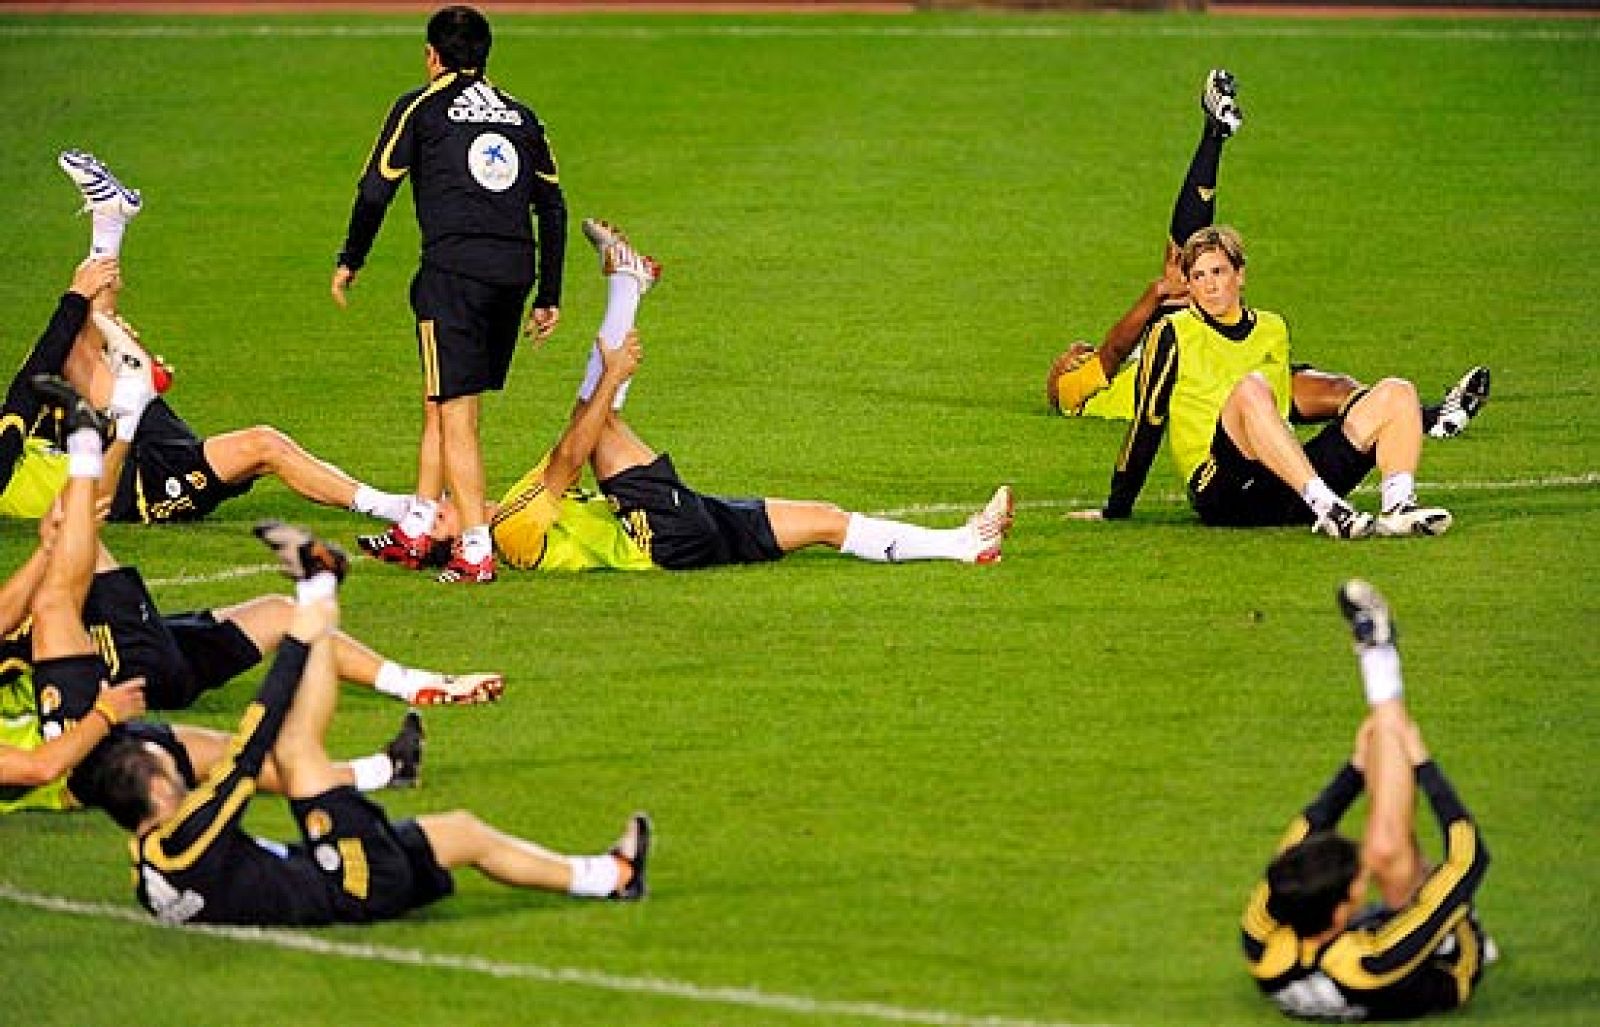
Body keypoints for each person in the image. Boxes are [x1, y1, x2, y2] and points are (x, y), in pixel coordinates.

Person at [376, 220, 1014, 574]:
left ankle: (963, 544)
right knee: (595, 425)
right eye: (440, 519)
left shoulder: (510, 511)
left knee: (825, 518)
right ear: (457, 540)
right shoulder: (511, 532)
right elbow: (571, 455)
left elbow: (570, 451)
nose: (442, 506)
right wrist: (614, 373)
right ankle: (627, 286)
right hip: (658, 535)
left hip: (686, 531)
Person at [93, 522, 649, 926]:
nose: (178, 770)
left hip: (334, 870)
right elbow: (252, 739)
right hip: (353, 884)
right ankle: (318, 594)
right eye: (166, 766)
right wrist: (298, 639)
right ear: (158, 794)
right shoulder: (190, 837)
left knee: (464, 832)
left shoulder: (149, 864)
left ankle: (613, 877)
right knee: (297, 752)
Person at [0, 382, 422, 815]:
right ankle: (92, 446)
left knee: (226, 754)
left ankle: (382, 771)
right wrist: (105, 714)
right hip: (72, 756)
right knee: (55, 600)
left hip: (76, 711)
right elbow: (40, 768)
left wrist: (48, 549)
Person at [1045, 70, 1490, 440]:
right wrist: (1155, 294)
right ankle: (1213, 135)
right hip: (1207, 395)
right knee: (1181, 269)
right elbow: (1114, 348)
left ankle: (1433, 419)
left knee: (1336, 387)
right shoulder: (1075, 394)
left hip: (1232, 369)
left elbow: (1125, 346)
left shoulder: (1147, 358)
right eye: (1068, 357)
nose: (1074, 350)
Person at [0, 150, 417, 527]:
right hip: (144, 486)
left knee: (77, 348)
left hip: (122, 446)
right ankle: (395, 510)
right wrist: (75, 300)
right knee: (264, 445)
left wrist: (106, 346)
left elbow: (44, 375)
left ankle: (109, 223)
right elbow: (30, 388)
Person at [334, 4, 569, 584]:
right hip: (513, 273)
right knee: (442, 395)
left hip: (455, 273)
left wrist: (351, 258)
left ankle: (474, 549)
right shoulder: (521, 114)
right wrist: (549, 293)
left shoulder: (421, 105)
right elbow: (553, 207)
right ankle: (417, 526)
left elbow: (375, 190)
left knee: (457, 413)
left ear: (432, 56)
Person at [1083, 224, 1451, 539]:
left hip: (1287, 482)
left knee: (1396, 392)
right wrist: (1117, 507)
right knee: (1251, 389)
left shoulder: (1273, 328)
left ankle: (1399, 507)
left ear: (1240, 275)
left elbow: (1285, 408)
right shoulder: (1172, 333)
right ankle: (1329, 509)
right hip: (1222, 490)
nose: (1209, 286)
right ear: (1189, 286)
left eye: (1218, 272)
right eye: (1198, 276)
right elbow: (1147, 423)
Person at [1241, 580, 1492, 1020]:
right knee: (1386, 850)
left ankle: (1379, 666)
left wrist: (1356, 770)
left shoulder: (1264, 936)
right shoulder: (1373, 962)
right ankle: (1380, 665)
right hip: (1440, 958)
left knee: (1380, 841)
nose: (1365, 877)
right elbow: (1468, 863)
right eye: (1358, 882)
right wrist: (1423, 764)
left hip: (1347, 939)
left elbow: (1300, 839)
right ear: (1343, 910)